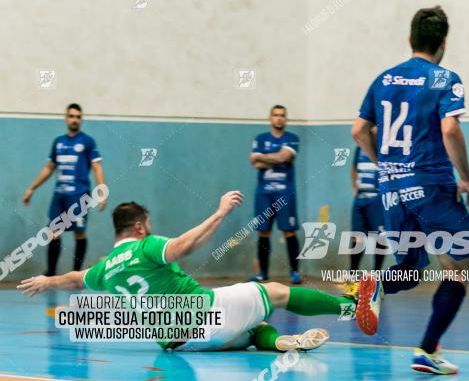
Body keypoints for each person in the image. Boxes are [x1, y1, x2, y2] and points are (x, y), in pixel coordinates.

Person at [18, 192, 367, 352]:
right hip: (203, 314)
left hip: (179, 343)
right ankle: (352, 307)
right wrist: (219, 213)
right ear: (139, 227)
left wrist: (47, 280)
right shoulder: (146, 245)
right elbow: (183, 247)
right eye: (149, 224)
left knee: (253, 329)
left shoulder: (105, 269)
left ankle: (279, 342)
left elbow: (76, 279)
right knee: (275, 291)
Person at [351, 6, 469, 375]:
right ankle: (426, 350)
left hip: (391, 189)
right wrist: (466, 177)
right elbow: (450, 130)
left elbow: (358, 131)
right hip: (432, 185)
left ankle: (373, 284)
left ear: (410, 39)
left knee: (410, 267)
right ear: (443, 42)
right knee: (457, 269)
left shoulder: (383, 79)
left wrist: (386, 165)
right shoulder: (444, 79)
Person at [22, 103, 107, 276]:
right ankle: (51, 273)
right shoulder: (58, 142)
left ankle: (76, 274)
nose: (74, 119)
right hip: (59, 196)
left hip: (79, 195)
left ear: (81, 119)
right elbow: (48, 168)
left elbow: (97, 167)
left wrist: (101, 191)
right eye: (71, 116)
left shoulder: (88, 142)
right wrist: (32, 188)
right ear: (66, 118)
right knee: (53, 232)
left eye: (78, 117)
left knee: (79, 232)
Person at [250, 105, 302, 284]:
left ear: (286, 119)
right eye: (276, 115)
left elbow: (283, 158)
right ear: (270, 118)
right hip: (264, 193)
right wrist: (278, 157)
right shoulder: (260, 138)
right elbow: (254, 162)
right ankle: (263, 273)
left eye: (282, 115)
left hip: (285, 193)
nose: (279, 118)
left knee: (289, 232)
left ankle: (295, 273)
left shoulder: (292, 138)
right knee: (263, 232)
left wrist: (264, 157)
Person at [349, 138, 386, 275]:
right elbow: (354, 168)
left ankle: (376, 276)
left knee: (380, 238)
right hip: (360, 200)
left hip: (377, 200)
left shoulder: (385, 147)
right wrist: (355, 187)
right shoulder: (360, 148)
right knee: (357, 237)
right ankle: (352, 275)